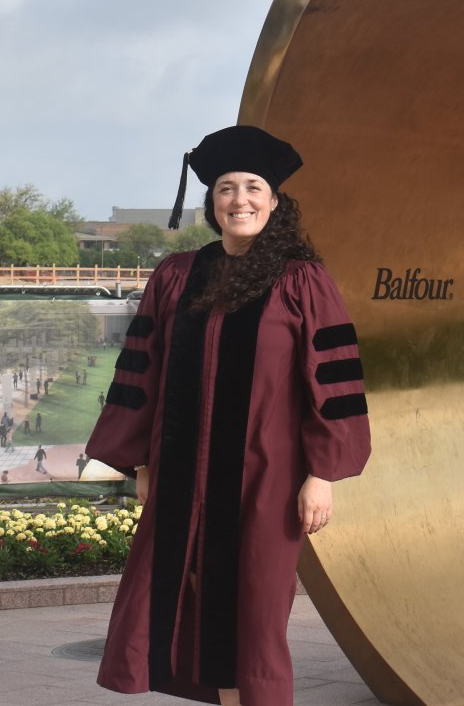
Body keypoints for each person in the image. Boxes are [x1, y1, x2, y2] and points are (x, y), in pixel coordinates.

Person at [86, 125, 371, 705]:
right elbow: (146, 368)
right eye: (225, 189)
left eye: (252, 187)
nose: (239, 200)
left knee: (256, 614)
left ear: (273, 200)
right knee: (187, 600)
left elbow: (334, 383)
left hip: (266, 478)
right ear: (212, 204)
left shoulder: (300, 280)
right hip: (181, 474)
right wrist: (141, 461)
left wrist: (322, 476)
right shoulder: (176, 275)